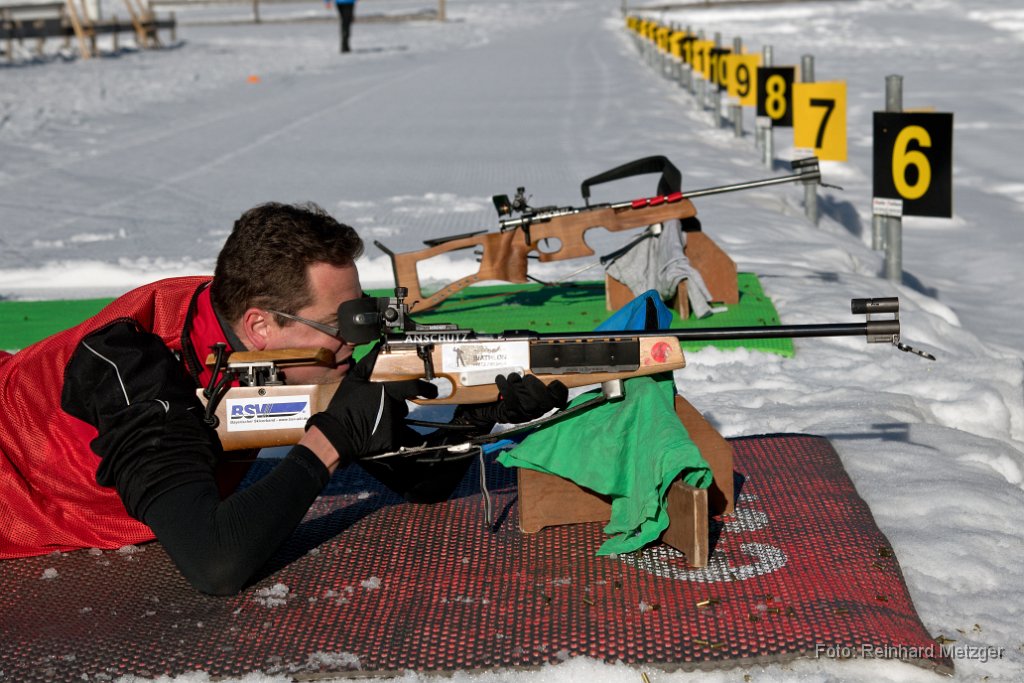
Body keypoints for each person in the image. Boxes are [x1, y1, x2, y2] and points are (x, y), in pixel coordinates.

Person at [0, 202, 567, 595]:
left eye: (358, 316)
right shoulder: (138, 373)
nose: (352, 340)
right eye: (336, 325)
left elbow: (424, 483)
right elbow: (215, 563)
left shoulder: (256, 339)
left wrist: (477, 416)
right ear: (260, 326)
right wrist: (330, 440)